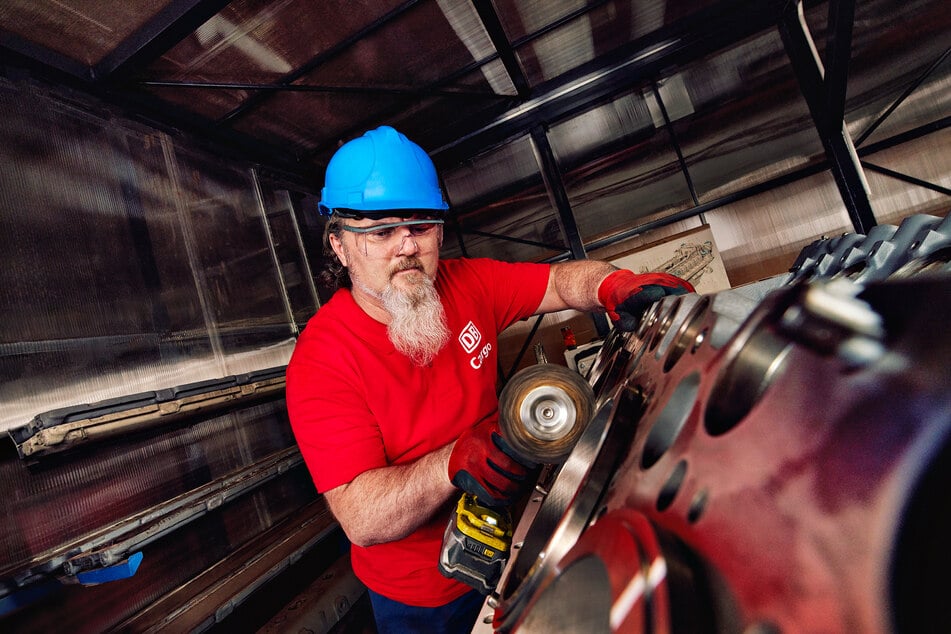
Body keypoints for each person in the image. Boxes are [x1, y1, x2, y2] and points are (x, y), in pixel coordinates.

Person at [285, 126, 693, 633]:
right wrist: (452, 461)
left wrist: (615, 284)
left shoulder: (466, 284)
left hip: (510, 539)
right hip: (423, 597)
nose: (407, 247)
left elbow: (559, 281)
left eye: (421, 225)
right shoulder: (323, 360)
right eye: (381, 232)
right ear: (340, 246)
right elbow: (362, 518)